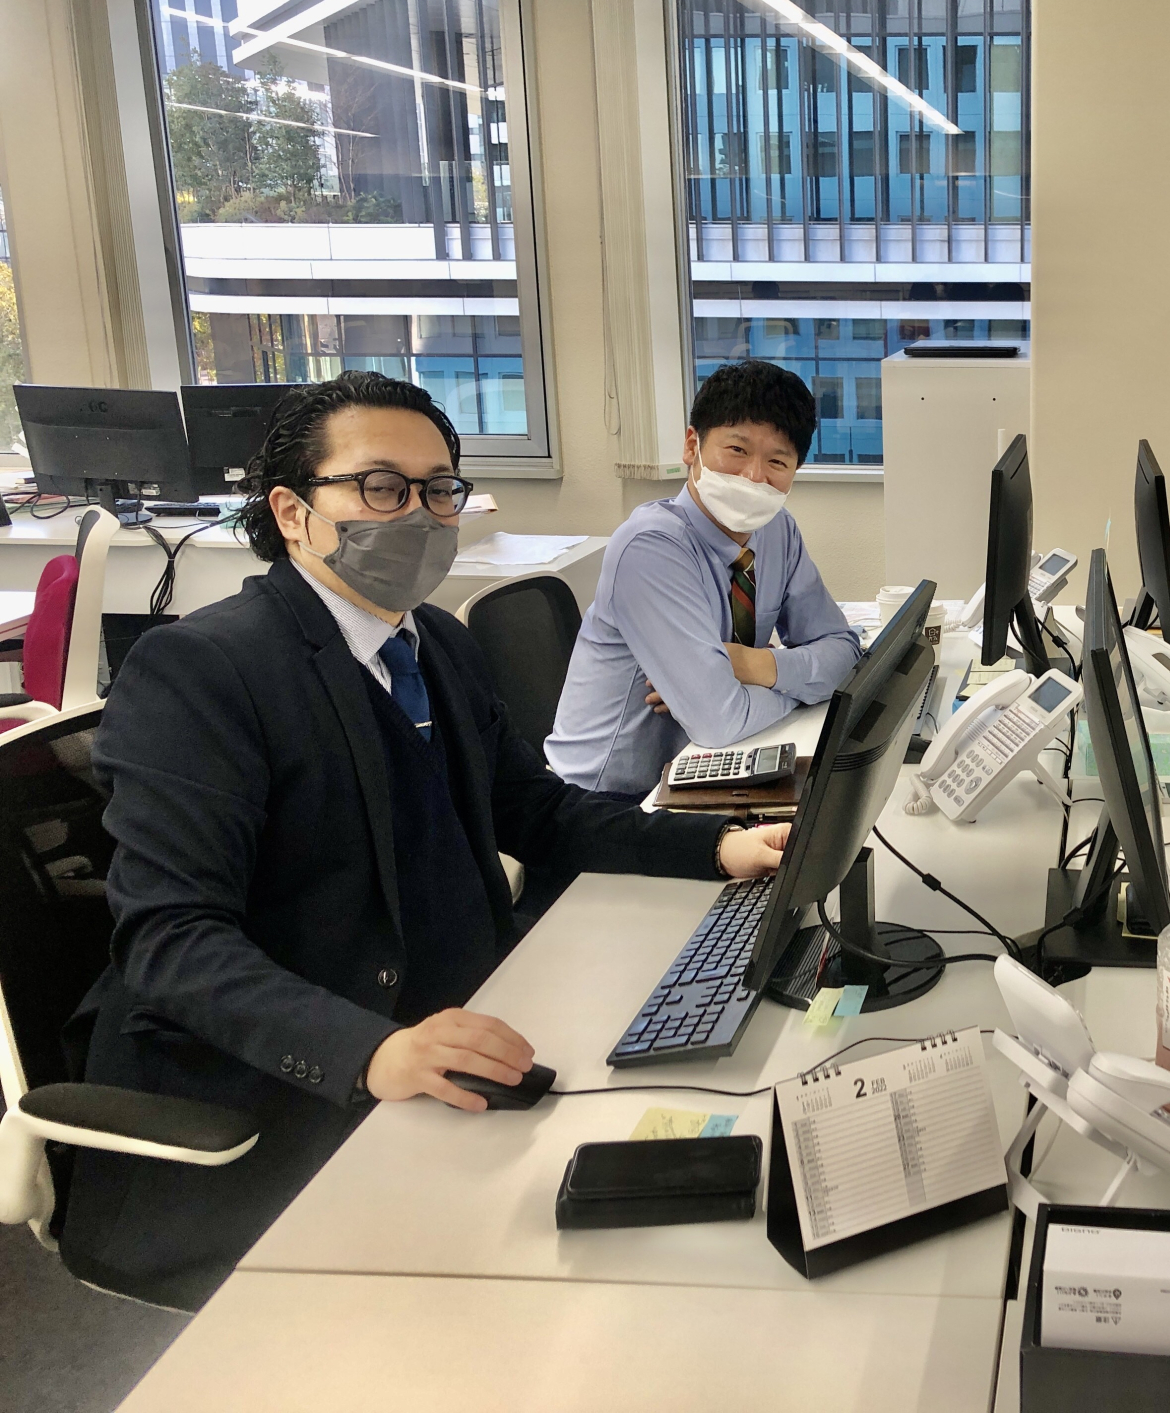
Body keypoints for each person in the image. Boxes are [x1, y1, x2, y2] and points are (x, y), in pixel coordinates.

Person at [60, 372, 790, 1309]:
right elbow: (170, 940)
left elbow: (536, 811)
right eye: (380, 487)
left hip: (460, 1025)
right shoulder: (203, 670)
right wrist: (370, 1051)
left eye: (438, 489)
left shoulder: (436, 642)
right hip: (285, 1091)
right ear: (291, 512)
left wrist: (717, 848)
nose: (417, 513)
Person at [545, 360, 860, 799]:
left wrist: (757, 666)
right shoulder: (651, 547)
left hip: (708, 768)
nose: (754, 476)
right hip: (609, 799)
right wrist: (801, 685)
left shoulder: (778, 531)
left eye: (777, 460)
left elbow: (845, 653)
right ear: (692, 445)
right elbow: (719, 720)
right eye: (737, 450)